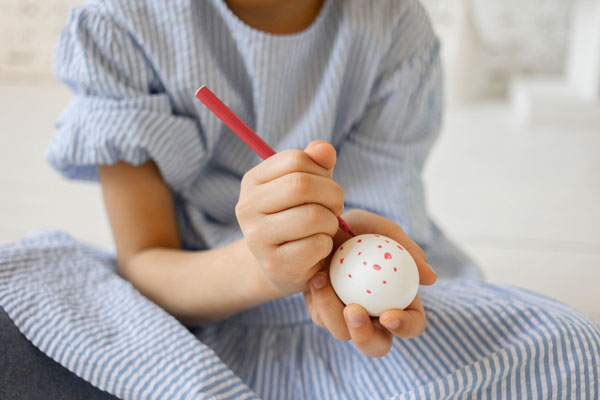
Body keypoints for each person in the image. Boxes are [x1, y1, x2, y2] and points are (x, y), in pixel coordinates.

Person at [0, 0, 598, 398]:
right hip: (200, 312)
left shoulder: (391, 25)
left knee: (573, 349)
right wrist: (261, 265)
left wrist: (339, 266)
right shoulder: (122, 23)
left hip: (352, 324)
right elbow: (145, 263)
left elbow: (370, 240)